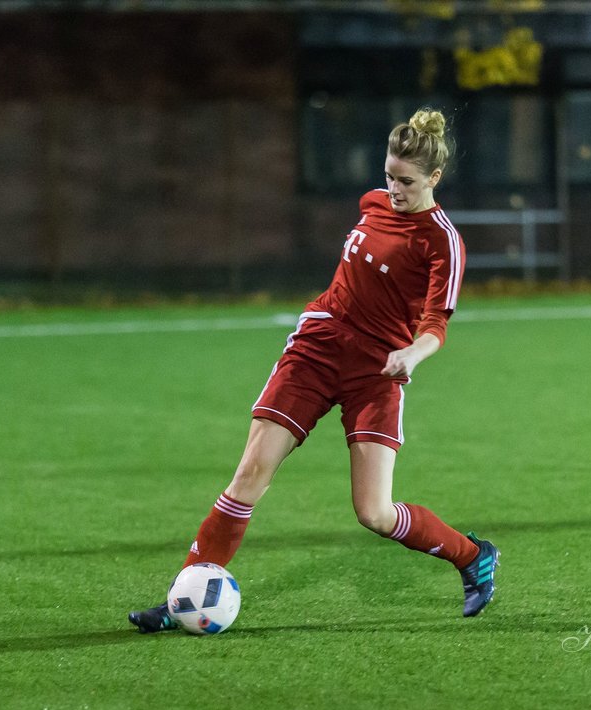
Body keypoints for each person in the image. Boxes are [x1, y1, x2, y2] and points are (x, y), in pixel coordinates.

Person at [129, 107, 499, 633]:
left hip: (378, 370)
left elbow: (436, 323)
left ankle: (471, 556)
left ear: (434, 178)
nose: (393, 188)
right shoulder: (372, 203)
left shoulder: (442, 241)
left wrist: (410, 355)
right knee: (249, 473)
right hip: (317, 347)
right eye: (389, 174)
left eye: (407, 181)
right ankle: (183, 597)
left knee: (373, 512)